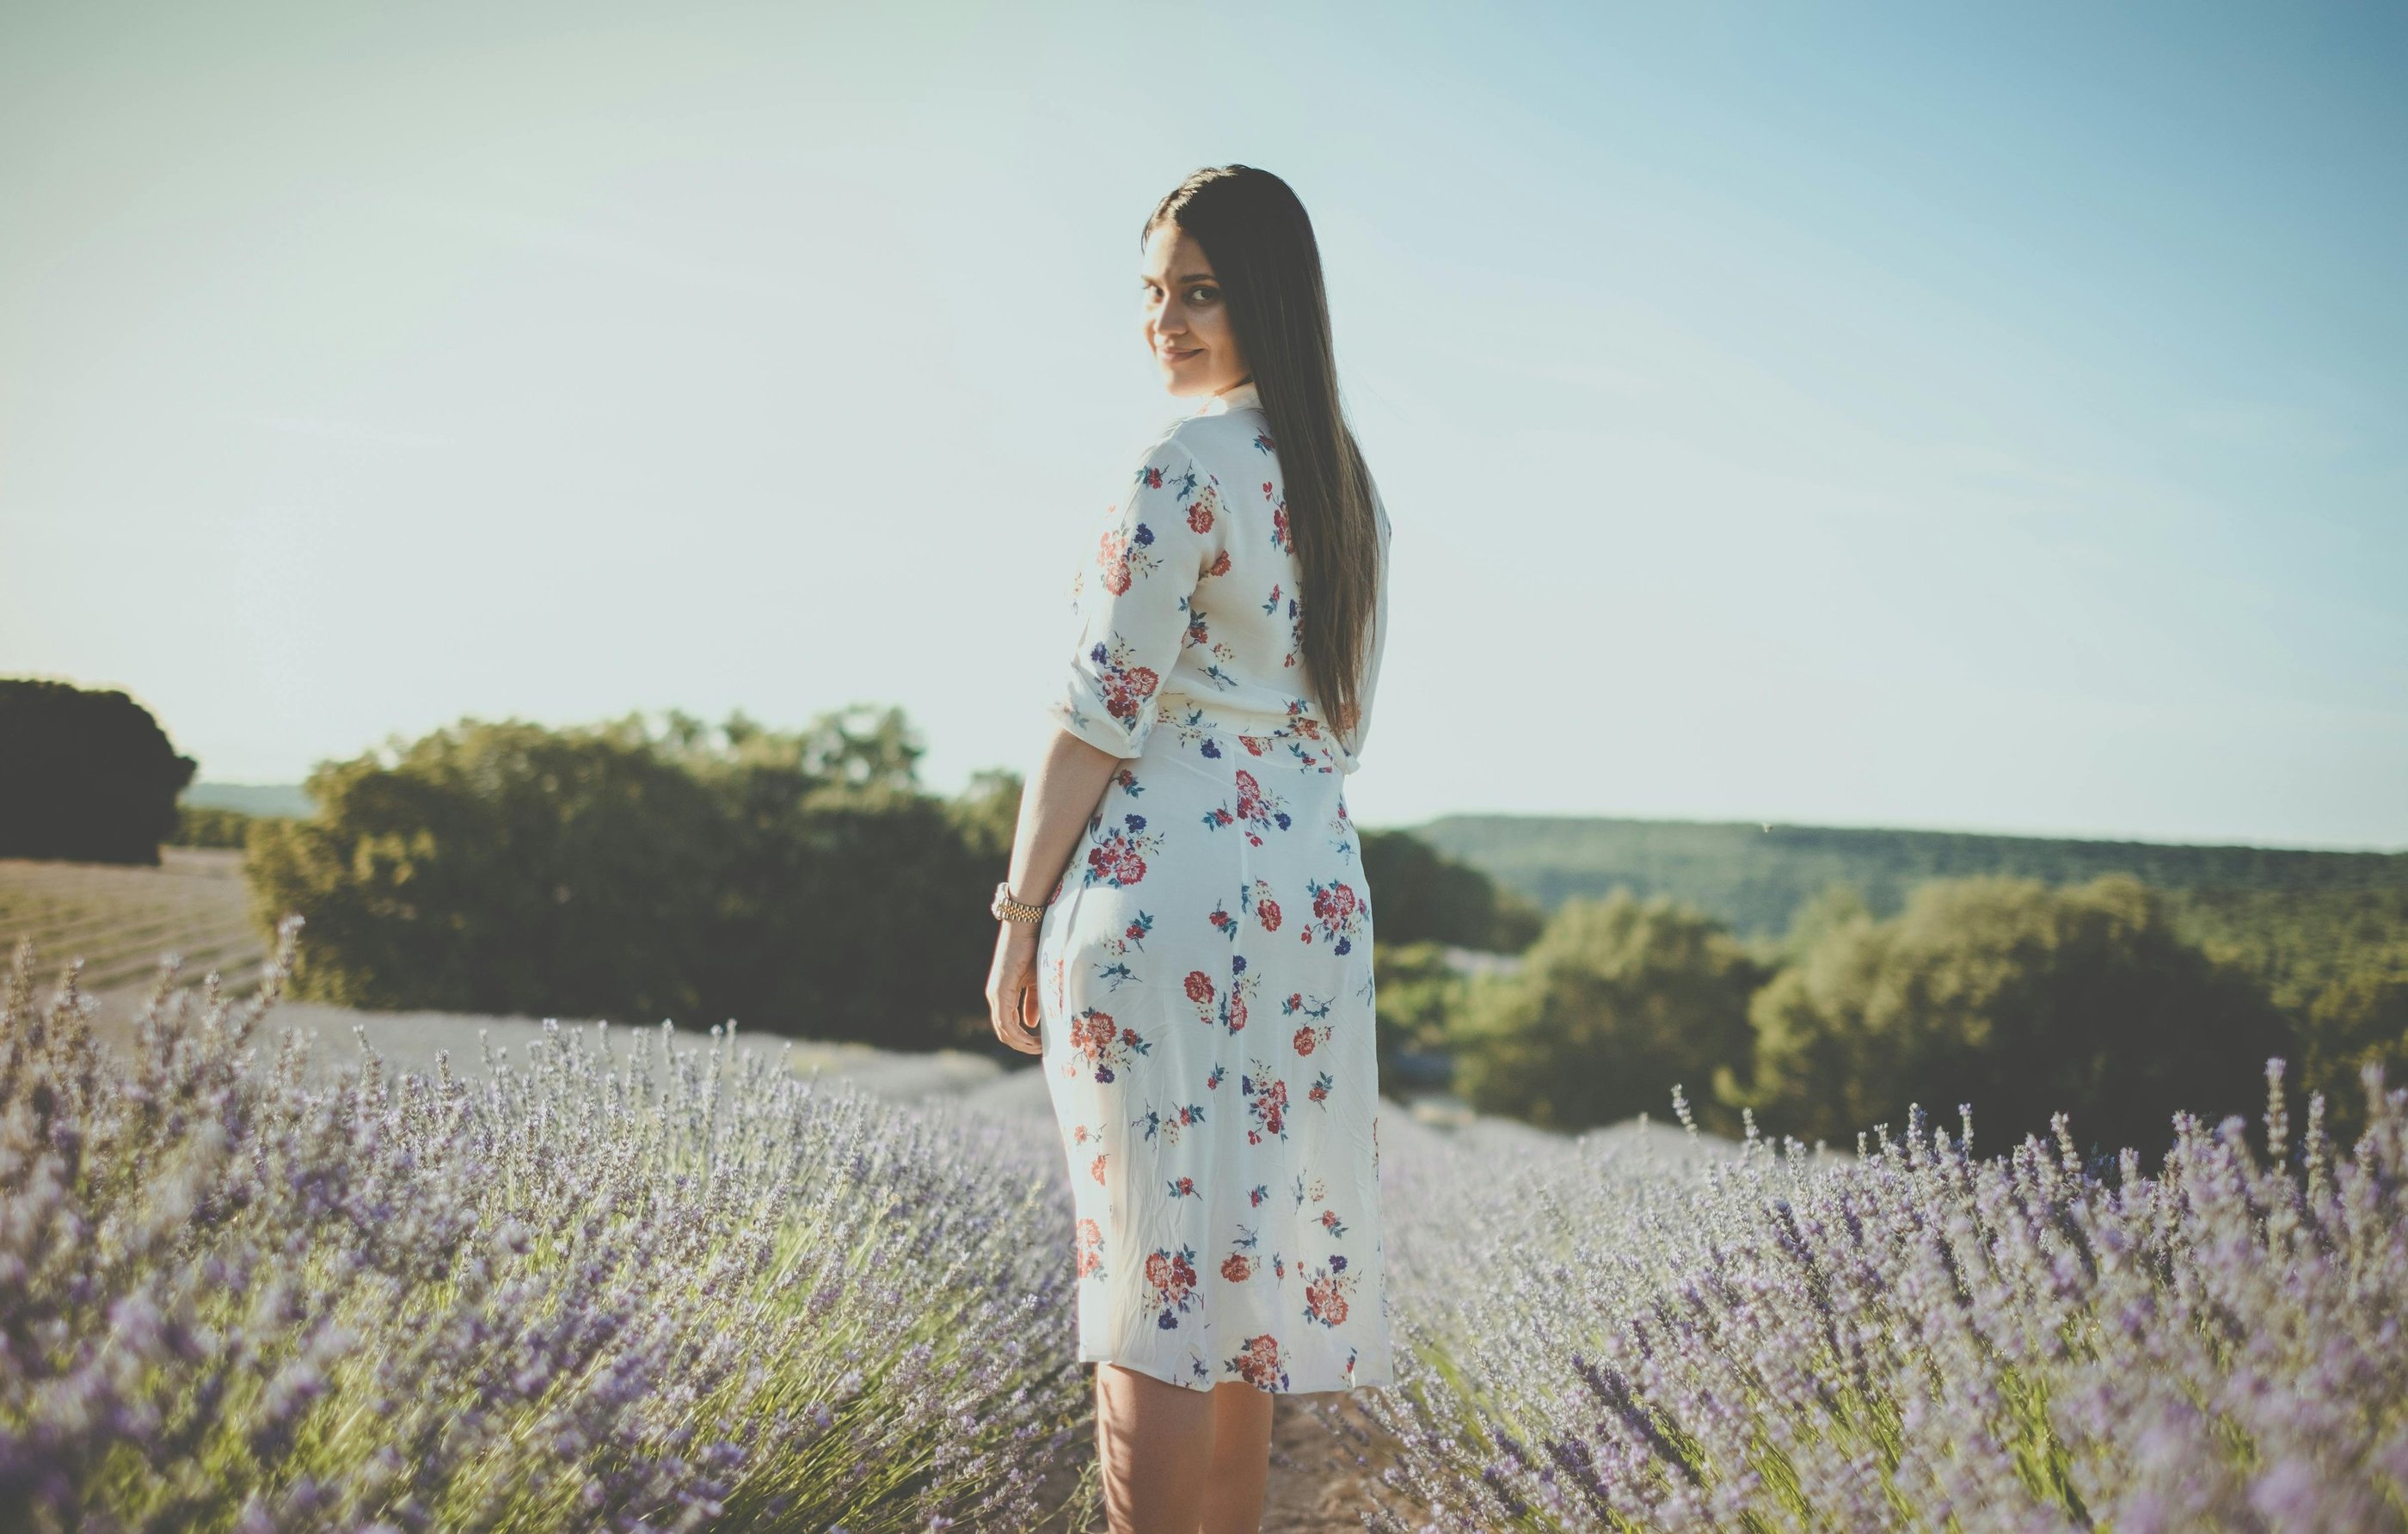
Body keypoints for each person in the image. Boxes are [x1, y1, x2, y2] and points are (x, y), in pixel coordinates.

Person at [985, 163, 1395, 1533]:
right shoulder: (1349, 489)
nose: (1166, 319)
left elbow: (1096, 715)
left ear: (1267, 300)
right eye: (1155, 291)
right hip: (1308, 901)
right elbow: (1339, 727)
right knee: (1243, 1278)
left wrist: (1015, 909)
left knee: (1154, 1281)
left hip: (1165, 898)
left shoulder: (1178, 467)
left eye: (1201, 292)